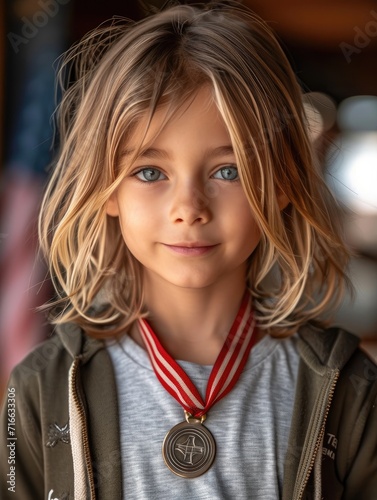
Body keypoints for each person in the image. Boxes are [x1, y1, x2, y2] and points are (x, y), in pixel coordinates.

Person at [1, 2, 377, 499]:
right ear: (107, 191)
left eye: (229, 171)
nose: (189, 209)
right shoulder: (42, 387)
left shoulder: (348, 387)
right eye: (150, 172)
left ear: (282, 182)